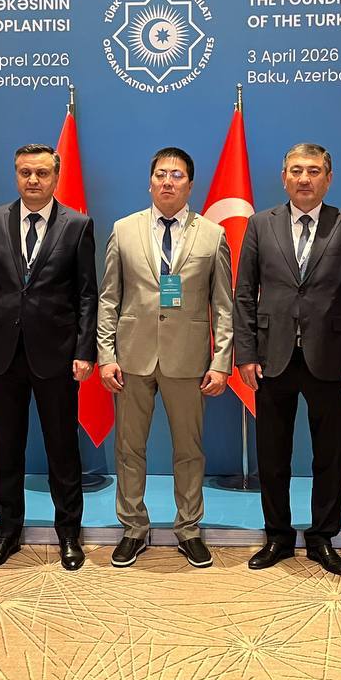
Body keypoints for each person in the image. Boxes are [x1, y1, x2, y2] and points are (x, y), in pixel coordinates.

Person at [233, 143, 341, 577]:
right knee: (273, 455)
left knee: (330, 455)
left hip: (330, 359)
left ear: (328, 179)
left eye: (313, 171)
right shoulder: (260, 224)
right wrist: (246, 353)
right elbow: (244, 293)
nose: (304, 178)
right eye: (296, 170)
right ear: (283, 178)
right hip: (271, 358)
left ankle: (322, 538)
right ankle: (277, 535)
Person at [0, 143, 98, 571]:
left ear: (56, 177)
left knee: (62, 448)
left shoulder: (77, 225)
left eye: (42, 173)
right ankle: (8, 531)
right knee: (6, 447)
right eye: (25, 172)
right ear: (16, 175)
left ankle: (68, 533)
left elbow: (87, 294)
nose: (33, 180)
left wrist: (84, 350)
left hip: (56, 355)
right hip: (2, 355)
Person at [97, 147, 233, 569]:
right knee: (128, 449)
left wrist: (221, 362)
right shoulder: (124, 230)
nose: (167, 182)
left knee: (189, 450)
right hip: (132, 358)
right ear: (150, 182)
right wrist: (106, 355)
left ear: (190, 184)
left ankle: (188, 529)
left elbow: (224, 306)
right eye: (160, 174)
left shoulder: (213, 234)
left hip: (188, 360)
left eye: (176, 175)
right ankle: (133, 528)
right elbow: (109, 298)